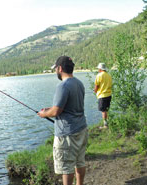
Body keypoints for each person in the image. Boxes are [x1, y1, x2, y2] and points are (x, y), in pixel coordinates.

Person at [38, 56, 88, 185]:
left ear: (60, 68)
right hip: (81, 129)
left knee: (67, 167)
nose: (56, 71)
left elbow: (56, 112)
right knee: (80, 161)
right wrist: (50, 108)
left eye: (56, 68)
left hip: (67, 134)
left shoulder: (63, 86)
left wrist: (43, 114)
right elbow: (70, 106)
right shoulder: (79, 83)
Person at [94, 63, 112, 129]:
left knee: (103, 110)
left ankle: (105, 125)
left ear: (100, 69)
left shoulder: (99, 75)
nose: (98, 69)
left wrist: (95, 91)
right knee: (106, 110)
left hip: (102, 95)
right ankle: (107, 122)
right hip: (109, 95)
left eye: (98, 68)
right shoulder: (109, 75)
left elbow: (96, 86)